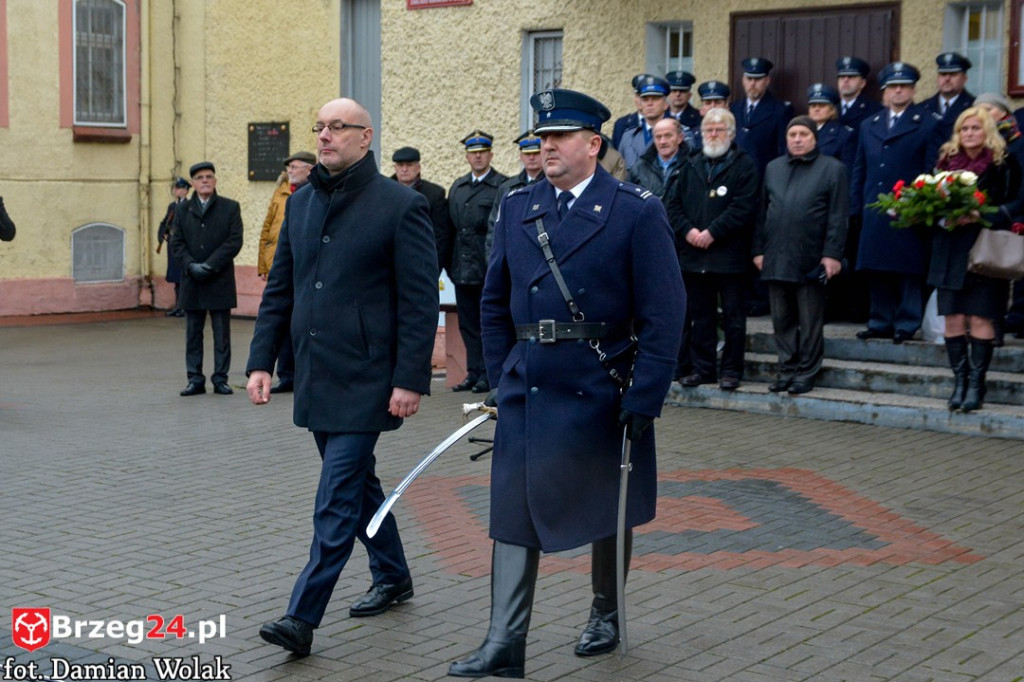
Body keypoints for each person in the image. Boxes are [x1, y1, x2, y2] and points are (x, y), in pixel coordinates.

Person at [448, 88, 685, 679]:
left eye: (557, 138)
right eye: (540, 138)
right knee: (511, 505)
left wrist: (646, 394)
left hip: (603, 382)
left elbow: (665, 311)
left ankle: (605, 613)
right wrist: (502, 377)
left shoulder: (635, 209)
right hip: (530, 383)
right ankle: (504, 642)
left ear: (592, 145)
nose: (544, 146)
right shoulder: (520, 205)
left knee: (608, 502)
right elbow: (495, 304)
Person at [247, 98, 439, 656]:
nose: (325, 136)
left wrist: (410, 379)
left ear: (365, 136)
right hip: (315, 374)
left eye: (338, 127)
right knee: (358, 489)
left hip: (369, 379)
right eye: (320, 127)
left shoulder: (400, 205)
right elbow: (280, 288)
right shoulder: (302, 202)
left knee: (334, 496)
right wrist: (262, 361)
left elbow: (419, 301)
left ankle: (302, 617)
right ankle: (394, 573)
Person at [928, 107, 1021, 412]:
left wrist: (982, 214)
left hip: (983, 249)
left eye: (976, 128)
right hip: (949, 248)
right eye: (964, 128)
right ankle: (960, 383)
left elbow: (1018, 201)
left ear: (987, 131)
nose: (969, 133)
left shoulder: (1002, 163)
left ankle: (977, 387)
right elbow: (929, 198)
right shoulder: (945, 162)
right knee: (953, 317)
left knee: (980, 316)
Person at [754, 116, 849, 395]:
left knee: (809, 320)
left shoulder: (833, 169)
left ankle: (807, 372)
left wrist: (832, 255)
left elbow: (838, 216)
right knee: (781, 319)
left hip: (811, 257)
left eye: (803, 134)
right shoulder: (773, 168)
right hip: (775, 256)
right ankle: (786, 369)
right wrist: (758, 250)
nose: (797, 139)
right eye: (792, 134)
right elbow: (762, 213)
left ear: (814, 138)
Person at [665, 108, 759, 390]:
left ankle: (731, 370)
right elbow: (673, 205)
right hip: (694, 256)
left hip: (729, 256)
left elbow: (743, 207)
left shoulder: (744, 165)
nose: (713, 134)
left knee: (733, 318)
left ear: (731, 134)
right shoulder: (690, 164)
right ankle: (703, 369)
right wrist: (690, 231)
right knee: (700, 317)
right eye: (708, 130)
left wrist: (712, 232)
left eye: (719, 130)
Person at [851, 62, 943, 343]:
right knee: (876, 267)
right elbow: (860, 168)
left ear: (913, 90)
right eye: (893, 87)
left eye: (904, 86)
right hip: (875, 207)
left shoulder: (927, 123)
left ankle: (906, 322)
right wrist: (856, 206)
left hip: (908, 209)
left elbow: (931, 171)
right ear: (884, 92)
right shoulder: (870, 124)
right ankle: (880, 320)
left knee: (907, 269)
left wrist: (919, 205)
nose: (898, 91)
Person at [169, 162, 243, 396]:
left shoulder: (230, 207)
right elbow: (176, 242)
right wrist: (191, 265)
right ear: (192, 183)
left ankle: (221, 378)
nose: (205, 181)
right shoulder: (182, 210)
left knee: (221, 334)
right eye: (199, 177)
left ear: (215, 181)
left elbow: (234, 241)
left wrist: (210, 265)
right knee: (193, 333)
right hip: (192, 280)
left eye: (209, 176)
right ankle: (195, 379)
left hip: (218, 279)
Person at [445, 131, 508, 393]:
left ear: (491, 154)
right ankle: (472, 372)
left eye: (483, 152)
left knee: (489, 324)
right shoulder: (458, 187)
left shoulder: (501, 186)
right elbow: (452, 230)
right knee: (467, 324)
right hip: (462, 268)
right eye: (473, 152)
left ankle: (488, 374)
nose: (478, 156)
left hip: (487, 268)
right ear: (468, 157)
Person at [257, 151, 315, 394]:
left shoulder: (315, 194)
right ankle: (286, 375)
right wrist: (263, 265)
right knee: (281, 320)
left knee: (300, 322)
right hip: (280, 266)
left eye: (296, 167)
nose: (290, 171)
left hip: (303, 269)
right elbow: (267, 230)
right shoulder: (281, 193)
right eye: (289, 167)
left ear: (309, 169)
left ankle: (302, 373)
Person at [975, 92, 1024, 340]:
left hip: (1010, 215)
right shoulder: (976, 144)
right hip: (979, 217)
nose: (984, 116)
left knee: (1007, 269)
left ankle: (1006, 323)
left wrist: (1009, 212)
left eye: (989, 110)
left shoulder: (1017, 143)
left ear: (1003, 112)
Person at [730, 57, 794, 177]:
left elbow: (784, 149)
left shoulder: (781, 110)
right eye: (749, 79)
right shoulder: (734, 108)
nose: (752, 83)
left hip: (765, 176)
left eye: (758, 79)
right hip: (736, 176)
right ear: (743, 80)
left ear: (767, 80)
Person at [391, 146, 449, 273]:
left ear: (418, 168)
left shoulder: (434, 194)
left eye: (409, 165)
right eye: (400, 165)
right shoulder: (383, 191)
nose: (404, 169)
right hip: (388, 266)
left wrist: (432, 268)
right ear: (395, 168)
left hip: (421, 264)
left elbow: (440, 236)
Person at [487, 130, 545, 244]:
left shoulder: (553, 184)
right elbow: (494, 227)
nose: (531, 157)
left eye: (536, 153)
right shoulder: (507, 187)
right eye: (527, 154)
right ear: (520, 156)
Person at [618, 75, 672, 170]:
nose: (649, 103)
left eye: (655, 98)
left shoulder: (679, 134)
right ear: (641, 104)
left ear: (666, 104)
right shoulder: (628, 136)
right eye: (645, 99)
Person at [627, 117, 687, 199]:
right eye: (658, 137)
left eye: (668, 136)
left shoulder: (692, 165)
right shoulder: (639, 168)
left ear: (680, 138)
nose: (663, 142)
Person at [156, 177, 190, 317]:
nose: (176, 190)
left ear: (186, 191)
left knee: (183, 278)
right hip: (172, 245)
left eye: (180, 188)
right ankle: (177, 306)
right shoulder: (172, 206)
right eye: (176, 188)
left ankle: (184, 307)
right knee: (176, 279)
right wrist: (161, 235)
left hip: (183, 246)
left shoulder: (189, 205)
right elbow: (165, 222)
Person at [921, 52, 975, 141]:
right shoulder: (923, 108)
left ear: (964, 79)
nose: (947, 79)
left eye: (953, 74)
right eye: (943, 74)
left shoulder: (974, 106)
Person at [836, 56, 882, 131]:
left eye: (851, 77)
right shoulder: (831, 109)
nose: (845, 80)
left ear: (862, 83)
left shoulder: (874, 110)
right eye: (842, 76)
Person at [611, 73, 649, 150]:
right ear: (634, 98)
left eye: (645, 96)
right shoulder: (621, 124)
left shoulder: (664, 123)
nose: (641, 100)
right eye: (638, 95)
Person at [691, 80, 731, 151]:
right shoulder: (692, 136)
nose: (713, 106)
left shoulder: (740, 135)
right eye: (708, 103)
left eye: (718, 102)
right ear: (701, 110)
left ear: (727, 108)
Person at [665, 70, 701, 141]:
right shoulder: (660, 116)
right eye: (674, 91)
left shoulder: (699, 118)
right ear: (668, 94)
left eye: (682, 91)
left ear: (689, 95)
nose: (678, 94)